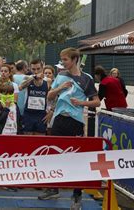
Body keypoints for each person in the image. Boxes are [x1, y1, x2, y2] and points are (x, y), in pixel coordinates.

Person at [38, 48, 100, 209]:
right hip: (59, 120)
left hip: (76, 122)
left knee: (76, 158)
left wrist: (81, 103)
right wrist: (60, 88)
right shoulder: (61, 76)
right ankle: (53, 188)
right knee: (53, 154)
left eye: (65, 59)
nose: (62, 62)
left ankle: (77, 194)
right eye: (61, 59)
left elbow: (96, 102)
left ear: (74, 60)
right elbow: (50, 96)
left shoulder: (87, 79)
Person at [19, 59, 49, 135]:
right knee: (27, 139)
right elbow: (20, 87)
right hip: (28, 114)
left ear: (42, 68)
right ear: (30, 69)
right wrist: (34, 77)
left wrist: (52, 111)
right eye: (33, 69)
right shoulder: (28, 79)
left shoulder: (47, 81)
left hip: (41, 115)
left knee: (40, 140)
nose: (36, 71)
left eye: (38, 69)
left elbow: (54, 97)